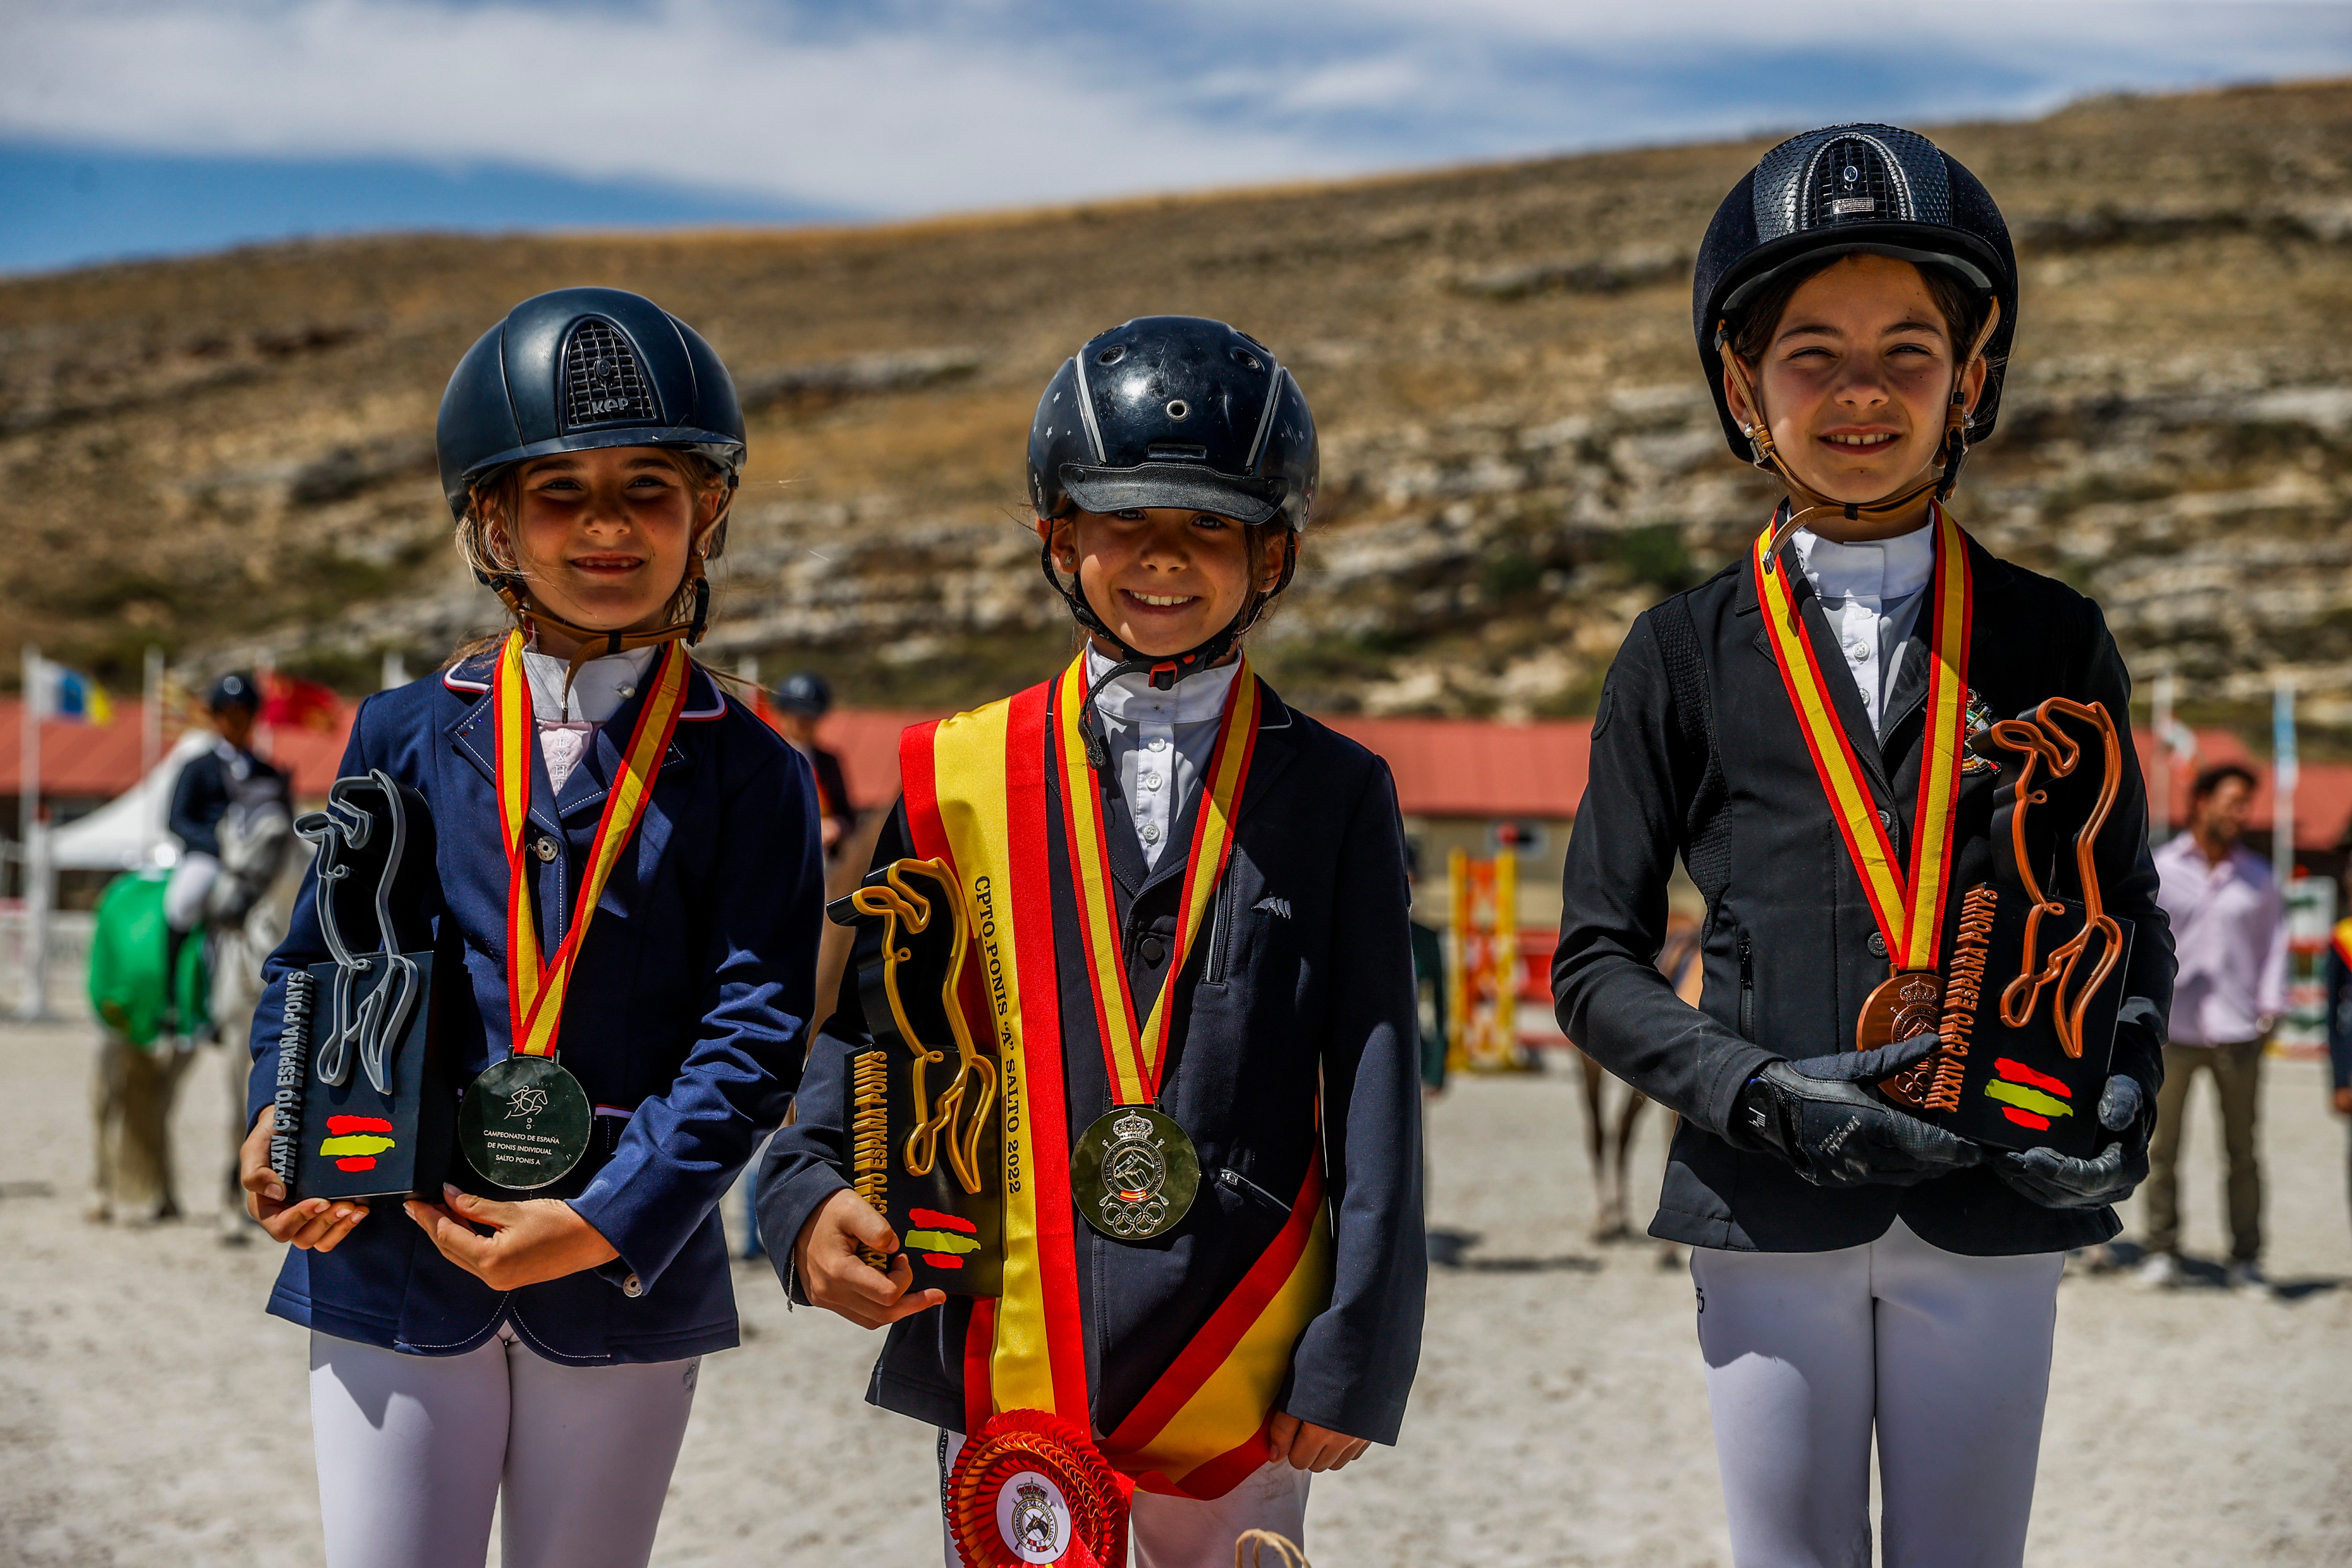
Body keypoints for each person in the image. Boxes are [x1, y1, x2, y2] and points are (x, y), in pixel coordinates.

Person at [1553, 124, 2174, 1568]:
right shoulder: (1679, 650)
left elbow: (2124, 904)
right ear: (1740, 384)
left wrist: (2128, 1066)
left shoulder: (2051, 633)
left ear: (1972, 375)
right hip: (1764, 1203)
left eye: (1907, 349)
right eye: (1810, 353)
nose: (1860, 391)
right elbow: (1595, 956)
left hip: (1995, 1186)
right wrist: (1756, 1093)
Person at [757, 315, 1424, 1568]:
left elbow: (1379, 1074)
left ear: (1272, 552)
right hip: (1007, 1342)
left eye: (1210, 527)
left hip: (1245, 1343)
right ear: (1061, 537)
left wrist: (1361, 1347)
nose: (1164, 560)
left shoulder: (1341, 791)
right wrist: (800, 1197)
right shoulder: (954, 775)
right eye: (1125, 523)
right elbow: (864, 1029)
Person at [235, 287, 823, 1568]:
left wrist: (614, 1217)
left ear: (705, 511)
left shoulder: (757, 772)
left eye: (648, 488)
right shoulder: (398, 731)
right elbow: (318, 959)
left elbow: (755, 1034)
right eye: (561, 493)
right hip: (395, 1243)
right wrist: (278, 1108)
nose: (607, 524)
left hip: (619, 1270)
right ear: (491, 522)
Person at [2142, 763, 2286, 1290]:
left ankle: (2246, 1257)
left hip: (2240, 1033)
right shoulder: (2162, 869)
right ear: (2202, 802)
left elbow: (2275, 946)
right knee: (2163, 1148)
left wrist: (2272, 1008)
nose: (2242, 814)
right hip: (2172, 1034)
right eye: (2233, 802)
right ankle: (2163, 1249)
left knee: (2243, 1151)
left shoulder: (2259, 877)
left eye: (2247, 804)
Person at [165, 672, 288, 973]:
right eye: (228, 715)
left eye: (242, 714)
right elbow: (177, 820)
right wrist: (216, 847)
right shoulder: (197, 767)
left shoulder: (269, 772)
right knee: (184, 902)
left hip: (260, 862)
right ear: (216, 718)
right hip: (211, 858)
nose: (235, 722)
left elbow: (285, 820)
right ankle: (172, 992)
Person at [769, 670, 856, 855]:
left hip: (825, 859)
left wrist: (837, 826)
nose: (805, 723)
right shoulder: (769, 759)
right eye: (799, 717)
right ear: (783, 714)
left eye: (811, 717)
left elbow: (847, 814)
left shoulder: (829, 762)